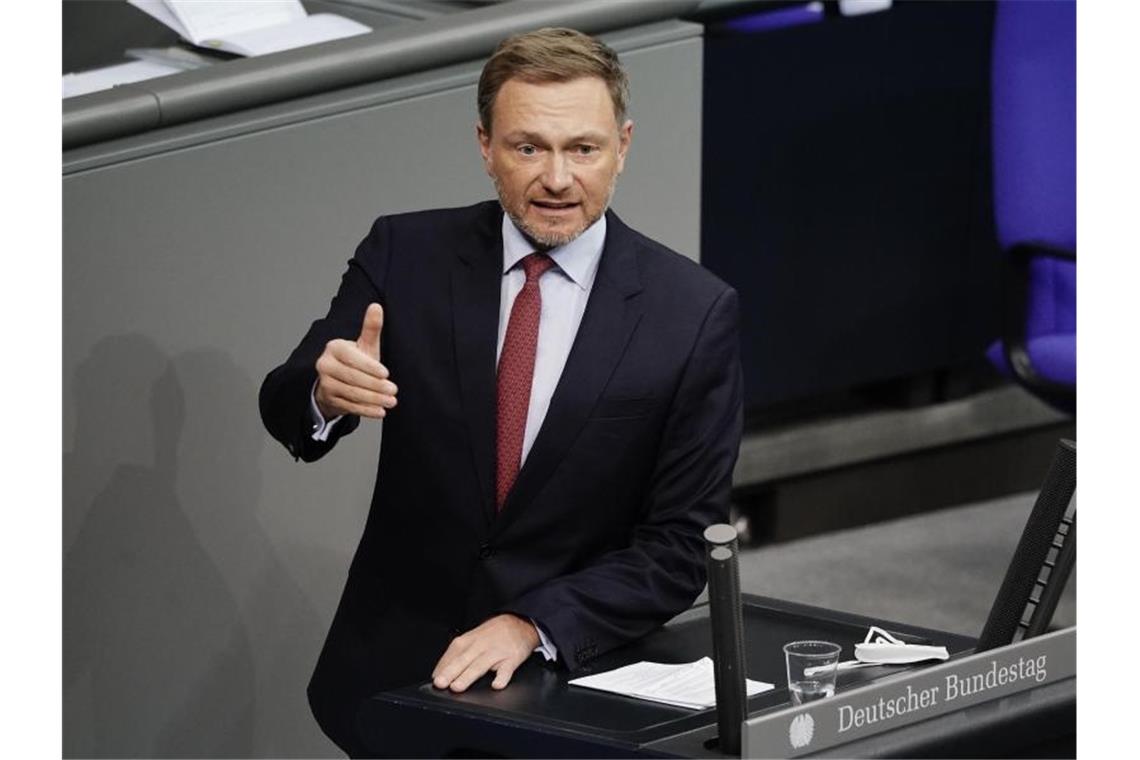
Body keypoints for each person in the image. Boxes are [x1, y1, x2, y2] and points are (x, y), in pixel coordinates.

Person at [259, 27, 743, 757]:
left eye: (583, 149)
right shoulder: (406, 254)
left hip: (568, 687)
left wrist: (533, 623)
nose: (556, 179)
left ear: (624, 147)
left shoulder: (692, 312)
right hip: (393, 680)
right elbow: (286, 399)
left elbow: (679, 545)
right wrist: (323, 396)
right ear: (485, 146)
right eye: (527, 148)